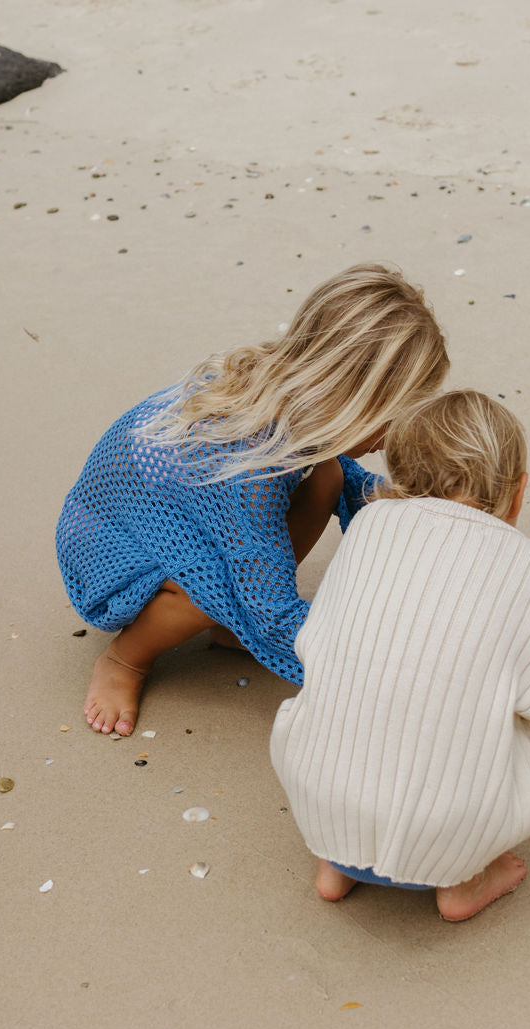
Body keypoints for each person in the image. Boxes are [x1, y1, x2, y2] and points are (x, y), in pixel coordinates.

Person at [56, 264, 449, 735]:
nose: (395, 438)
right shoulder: (252, 472)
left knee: (323, 476)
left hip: (177, 518)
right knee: (209, 587)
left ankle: (227, 625)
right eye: (393, 419)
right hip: (112, 550)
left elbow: (346, 478)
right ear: (348, 401)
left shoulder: (292, 400)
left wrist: (416, 510)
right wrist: (385, 682)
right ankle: (126, 659)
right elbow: (274, 612)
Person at [270, 390, 530, 922]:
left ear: (397, 476)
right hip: (452, 827)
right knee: (517, 729)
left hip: (320, 797)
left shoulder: (367, 533)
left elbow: (314, 644)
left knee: (341, 708)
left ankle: (336, 865)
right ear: (518, 495)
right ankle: (463, 881)